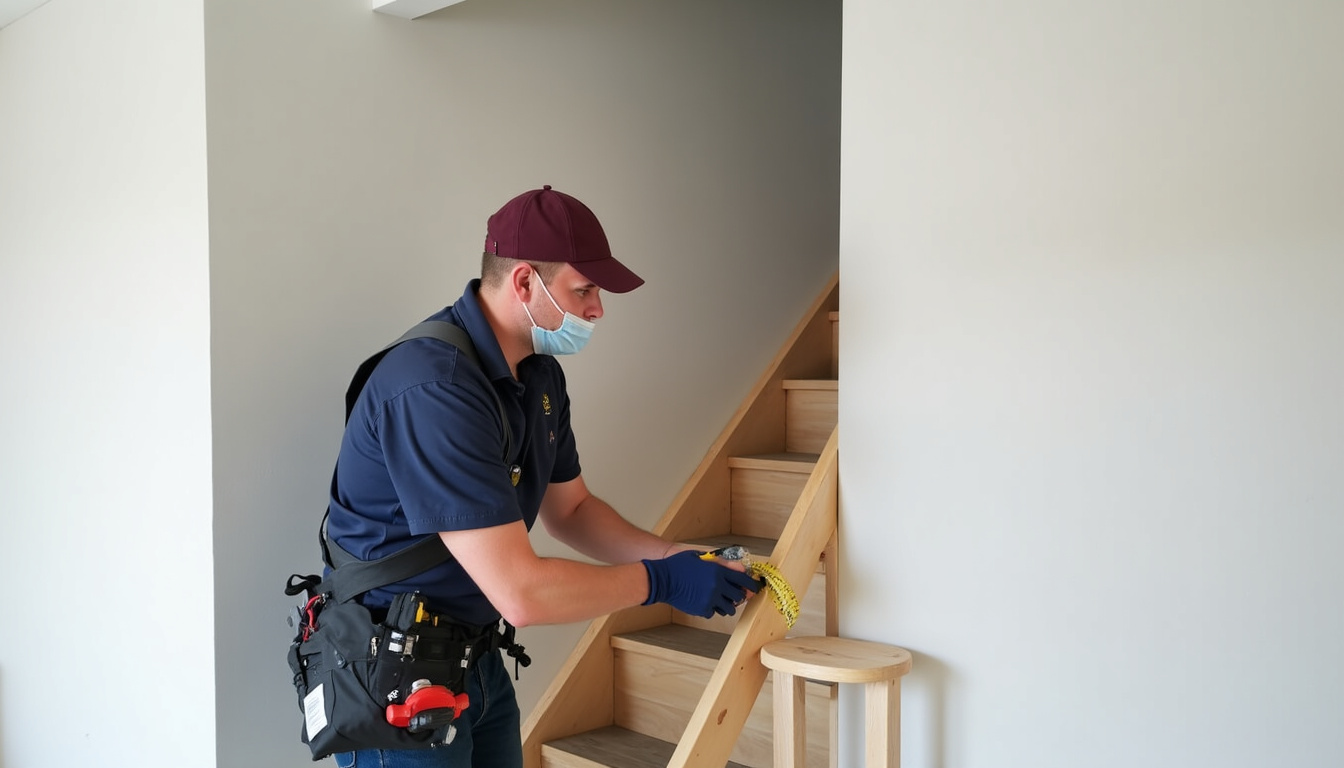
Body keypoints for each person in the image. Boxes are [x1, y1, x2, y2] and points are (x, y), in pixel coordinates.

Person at [323, 185, 760, 768]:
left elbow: (571, 511)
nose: (597, 308)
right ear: (525, 282)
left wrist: (677, 552)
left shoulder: (538, 377)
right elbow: (521, 593)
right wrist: (661, 582)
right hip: (394, 674)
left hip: (473, 662)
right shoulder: (434, 387)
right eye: (584, 290)